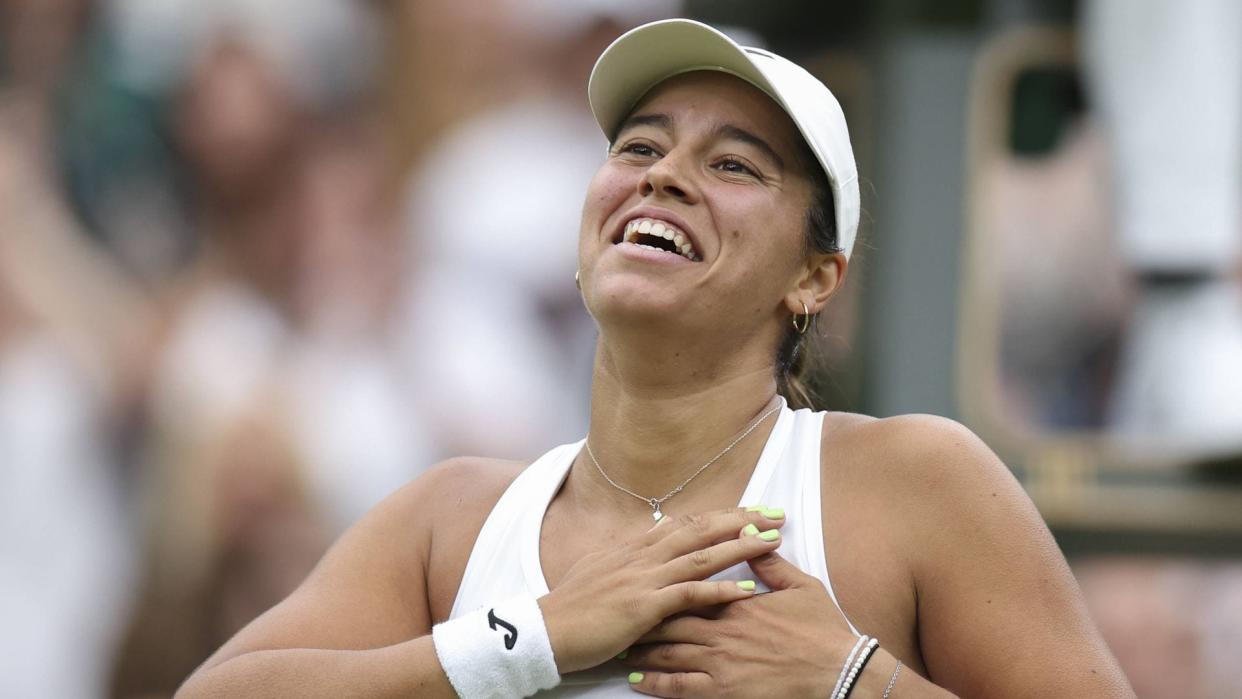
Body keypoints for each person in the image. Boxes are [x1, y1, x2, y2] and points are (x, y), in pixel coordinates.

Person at [176, 19, 1133, 698]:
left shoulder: (917, 482)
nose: (663, 174)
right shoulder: (450, 519)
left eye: (733, 165)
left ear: (815, 276)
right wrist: (533, 638)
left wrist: (857, 682)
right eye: (639, 146)